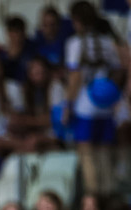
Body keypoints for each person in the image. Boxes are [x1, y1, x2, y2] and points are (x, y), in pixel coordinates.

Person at [64, 1, 123, 195]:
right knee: (105, 156)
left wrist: (68, 106)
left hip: (85, 105)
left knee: (88, 156)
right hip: (105, 104)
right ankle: (110, 200)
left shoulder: (75, 43)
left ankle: (94, 199)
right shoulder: (107, 42)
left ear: (77, 20)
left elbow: (75, 78)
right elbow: (117, 71)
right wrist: (109, 91)